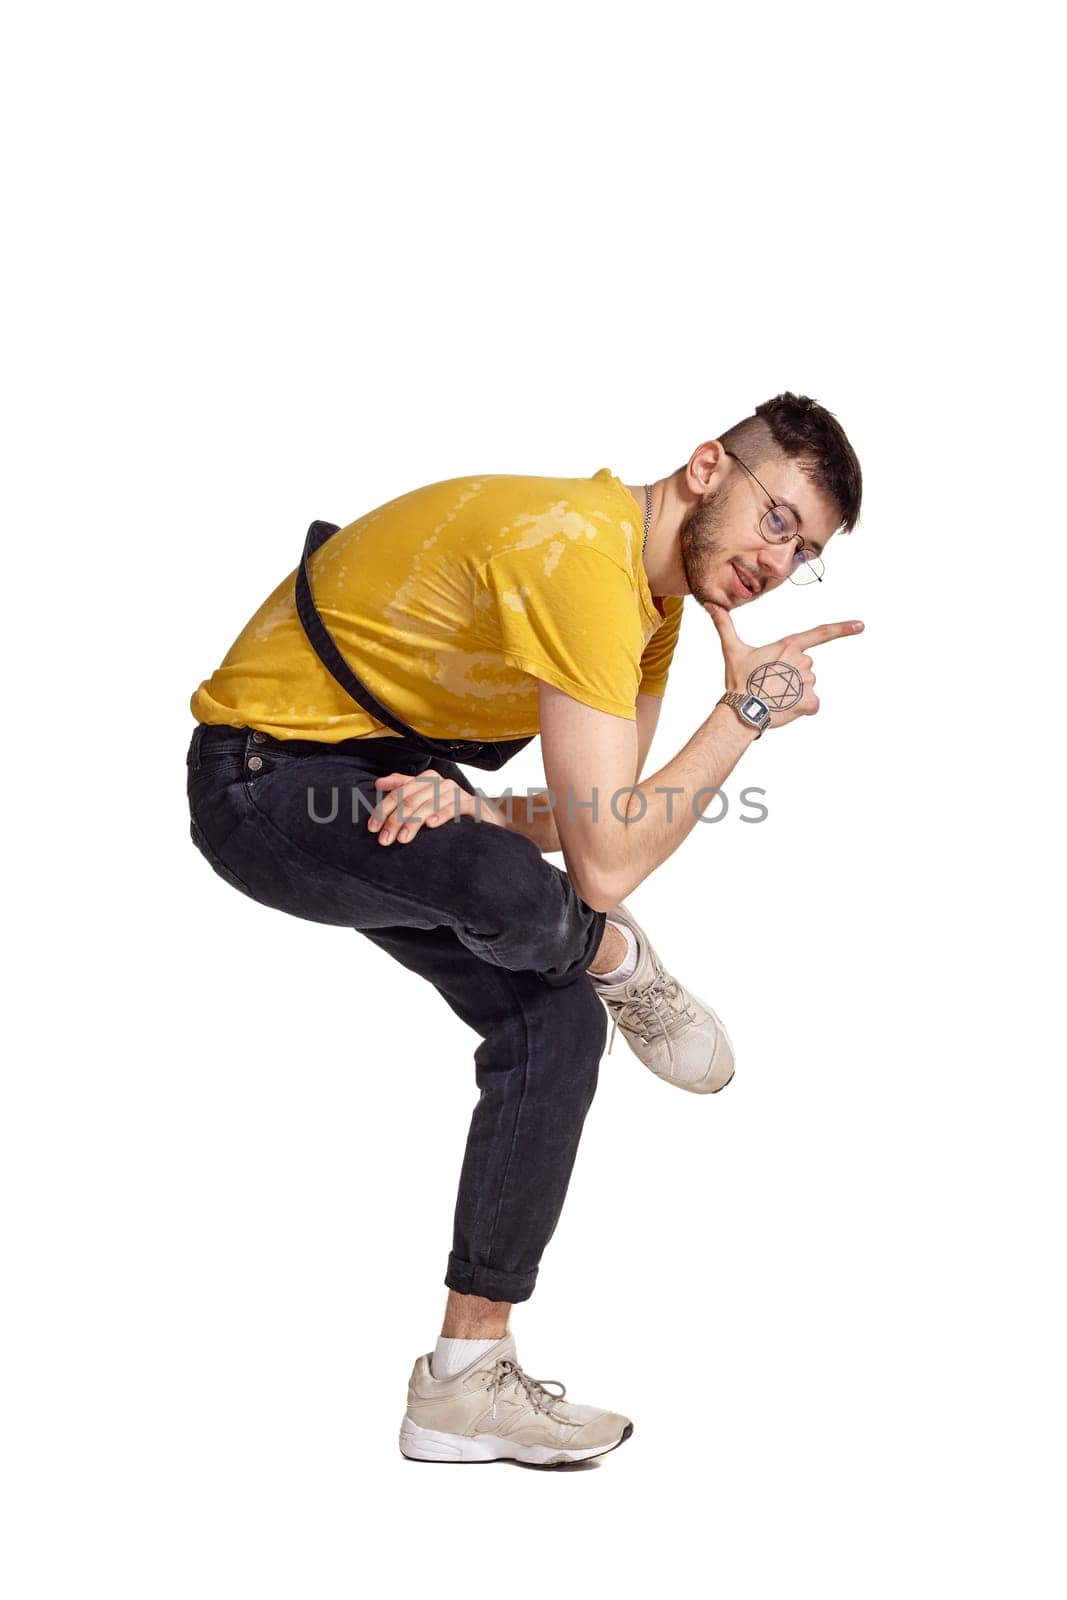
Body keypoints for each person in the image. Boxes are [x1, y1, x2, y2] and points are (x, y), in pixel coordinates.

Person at [185, 391, 864, 1468]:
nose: (777, 562)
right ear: (703, 470)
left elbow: (585, 825)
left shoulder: (650, 611)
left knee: (556, 1022)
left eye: (806, 551)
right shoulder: (582, 557)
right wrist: (738, 721)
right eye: (775, 519)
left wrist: (484, 809)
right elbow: (606, 862)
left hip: (382, 776)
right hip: (262, 779)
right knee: (549, 915)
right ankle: (615, 958)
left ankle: (462, 1381)